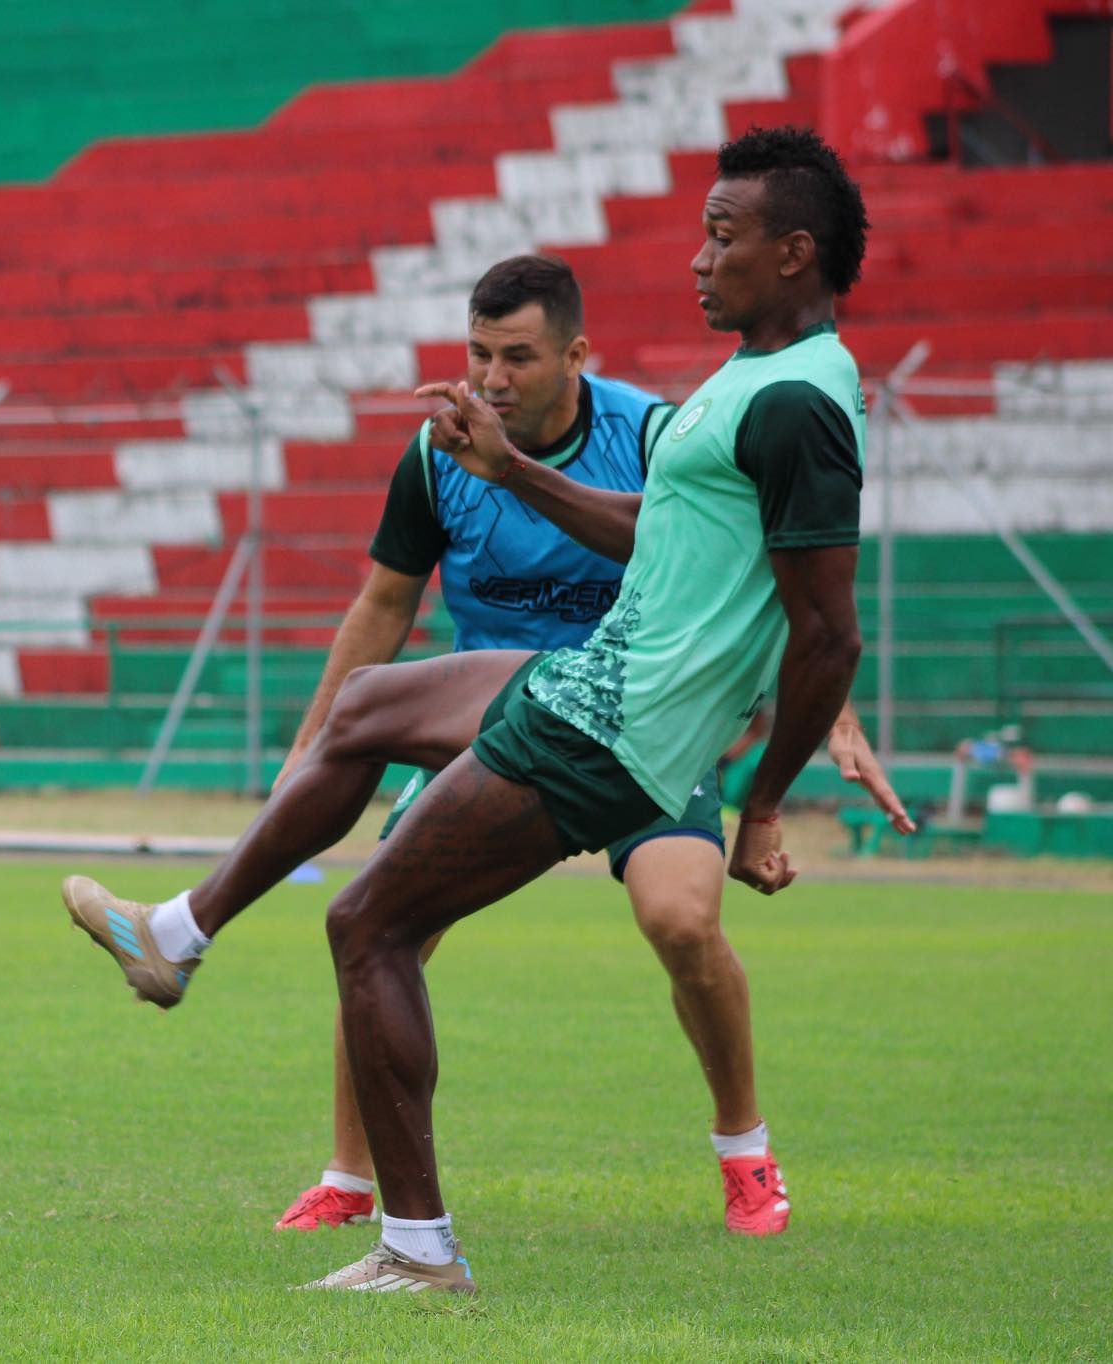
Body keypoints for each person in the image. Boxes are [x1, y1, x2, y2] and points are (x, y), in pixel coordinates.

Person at [63, 126, 876, 1293]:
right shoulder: (751, 382)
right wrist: (509, 468)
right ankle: (174, 935)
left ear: (793, 252)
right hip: (596, 675)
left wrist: (761, 804)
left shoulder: (796, 404)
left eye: (721, 235)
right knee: (364, 706)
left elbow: (827, 628)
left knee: (367, 927)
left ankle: (418, 1248)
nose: (697, 259)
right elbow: (664, 536)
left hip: (618, 718)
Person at [265, 255, 910, 1240]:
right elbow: (381, 604)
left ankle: (744, 1150)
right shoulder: (437, 452)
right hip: (487, 727)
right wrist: (309, 746)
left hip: (642, 718)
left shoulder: (656, 436)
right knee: (380, 927)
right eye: (477, 353)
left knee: (681, 919)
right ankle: (349, 1178)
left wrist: (835, 716)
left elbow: (769, 571)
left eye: (516, 356)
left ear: (574, 354)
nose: (490, 378)